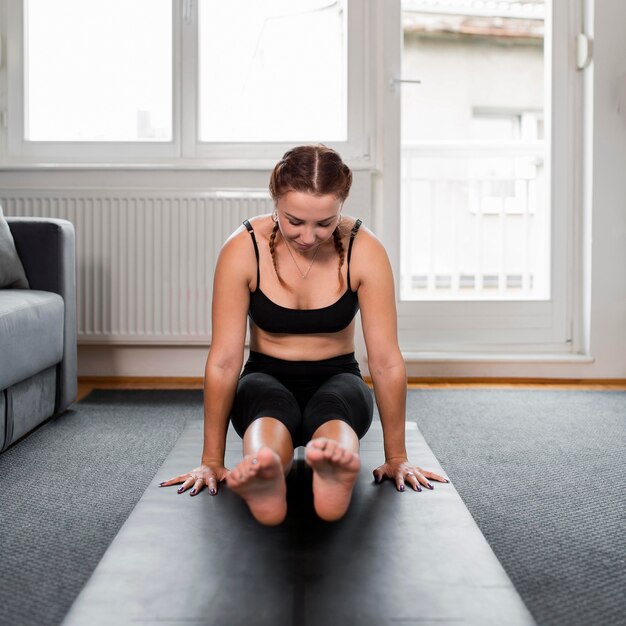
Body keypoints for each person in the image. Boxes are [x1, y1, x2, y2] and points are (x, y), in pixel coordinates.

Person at [160, 145, 448, 525]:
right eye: (294, 221)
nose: (309, 237)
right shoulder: (243, 248)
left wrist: (396, 457)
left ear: (341, 206)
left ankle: (334, 475)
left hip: (338, 378)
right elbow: (226, 360)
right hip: (265, 376)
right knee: (266, 417)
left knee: (336, 418)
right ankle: (265, 473)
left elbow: (385, 360)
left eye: (324, 223)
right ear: (275, 199)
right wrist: (211, 461)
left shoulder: (365, 250)